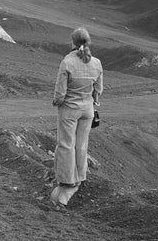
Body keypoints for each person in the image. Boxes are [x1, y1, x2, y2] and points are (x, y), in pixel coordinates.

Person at [51, 26, 103, 209]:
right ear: (88, 42)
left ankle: (67, 180)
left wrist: (56, 101)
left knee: (66, 144)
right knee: (81, 145)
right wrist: (92, 100)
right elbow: (98, 90)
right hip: (87, 109)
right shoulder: (96, 62)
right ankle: (80, 176)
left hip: (69, 110)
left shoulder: (67, 62)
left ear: (72, 42)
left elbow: (60, 92)